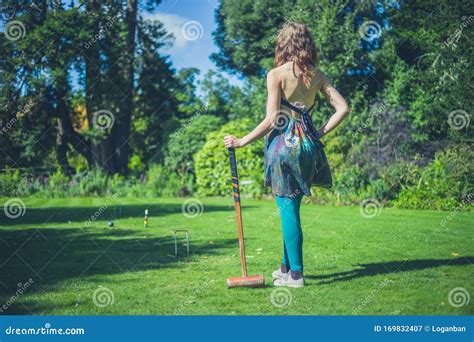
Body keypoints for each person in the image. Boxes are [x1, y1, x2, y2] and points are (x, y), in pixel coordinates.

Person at [223, 22, 350, 287]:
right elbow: (343, 108)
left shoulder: (276, 74)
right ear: (307, 44)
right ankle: (285, 267)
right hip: (307, 148)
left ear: (284, 43)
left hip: (283, 147)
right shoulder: (317, 75)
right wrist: (318, 133)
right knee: (290, 209)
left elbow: (272, 120)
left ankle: (296, 275)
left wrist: (241, 141)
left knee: (287, 210)